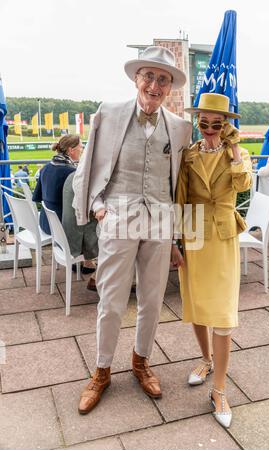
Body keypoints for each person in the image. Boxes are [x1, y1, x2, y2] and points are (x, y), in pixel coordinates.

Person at [72, 46, 192, 415]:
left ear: (170, 87)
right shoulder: (108, 113)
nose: (155, 85)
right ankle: (102, 370)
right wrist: (97, 208)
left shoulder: (181, 127)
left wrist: (179, 238)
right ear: (136, 79)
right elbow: (90, 163)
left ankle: (141, 362)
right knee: (110, 300)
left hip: (159, 222)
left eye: (163, 79)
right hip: (118, 216)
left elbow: (180, 185)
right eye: (149, 76)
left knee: (153, 300)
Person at [172, 93, 252, 429]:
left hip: (221, 237)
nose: (208, 129)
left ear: (227, 124)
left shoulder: (239, 154)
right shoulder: (188, 155)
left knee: (221, 311)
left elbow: (244, 184)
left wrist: (232, 148)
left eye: (216, 123)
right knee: (197, 305)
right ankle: (204, 360)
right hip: (193, 236)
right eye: (202, 123)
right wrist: (174, 242)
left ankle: (219, 389)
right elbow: (180, 199)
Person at [32, 135, 82, 235]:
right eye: (81, 147)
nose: (82, 149)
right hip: (60, 228)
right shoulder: (72, 173)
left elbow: (37, 197)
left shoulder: (46, 167)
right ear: (71, 150)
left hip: (44, 223)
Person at [62, 172, 98, 291]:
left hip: (65, 236)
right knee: (121, 238)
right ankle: (97, 277)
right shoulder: (90, 180)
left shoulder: (71, 175)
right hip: (78, 241)